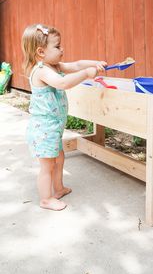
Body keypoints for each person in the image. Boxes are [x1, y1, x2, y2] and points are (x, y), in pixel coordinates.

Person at [21, 23, 107, 211]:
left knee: (59, 160)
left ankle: (58, 189)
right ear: (41, 52)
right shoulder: (42, 70)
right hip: (43, 130)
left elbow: (76, 64)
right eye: (58, 46)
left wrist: (94, 64)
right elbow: (61, 83)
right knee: (47, 166)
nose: (62, 49)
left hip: (53, 128)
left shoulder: (55, 65)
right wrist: (85, 74)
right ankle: (46, 199)